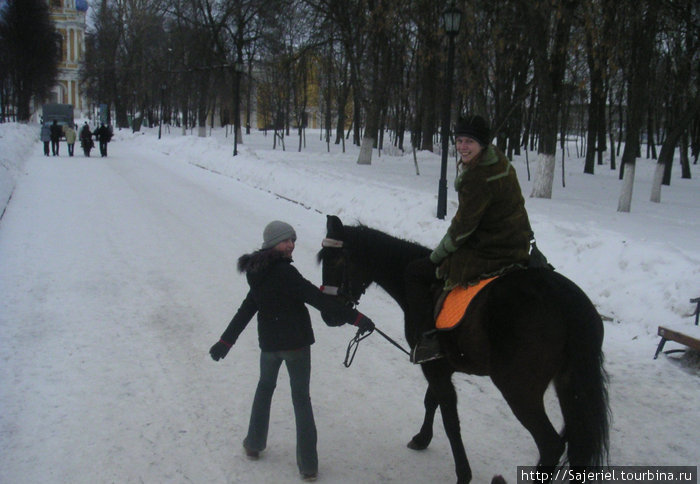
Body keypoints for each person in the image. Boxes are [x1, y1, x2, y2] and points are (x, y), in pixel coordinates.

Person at [209, 221, 374, 482]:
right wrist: (357, 318)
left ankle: (254, 443)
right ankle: (307, 466)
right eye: (286, 240)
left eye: (293, 240)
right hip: (296, 346)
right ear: (272, 243)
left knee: (264, 389)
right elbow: (318, 300)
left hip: (270, 346)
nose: (291, 245)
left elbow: (247, 308)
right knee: (301, 400)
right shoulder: (286, 273)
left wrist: (225, 342)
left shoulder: (258, 273)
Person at [406, 115, 532, 364]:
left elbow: (462, 229)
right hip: (516, 240)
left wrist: (436, 256)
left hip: (491, 249)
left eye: (469, 142)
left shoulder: (478, 177)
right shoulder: (497, 160)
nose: (463, 146)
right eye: (460, 140)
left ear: (482, 144)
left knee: (417, 272)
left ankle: (429, 340)